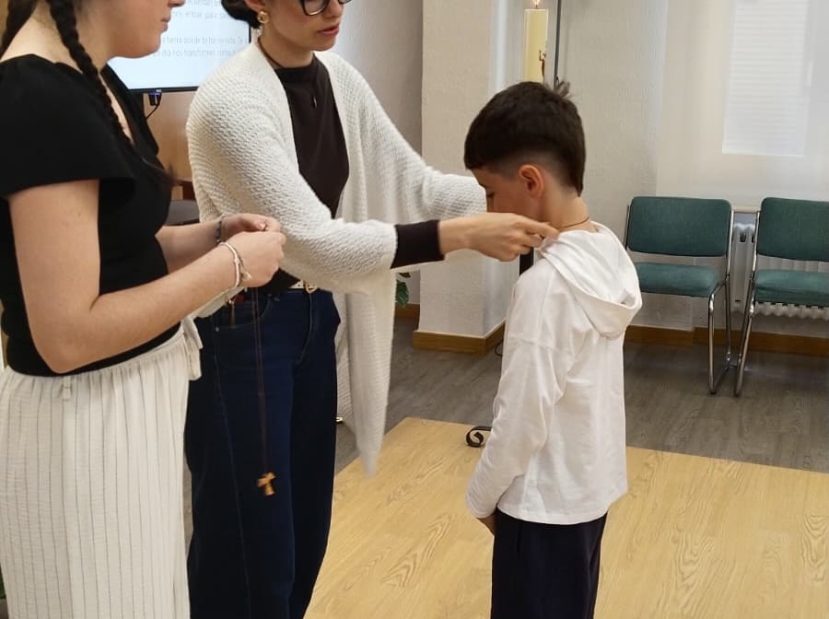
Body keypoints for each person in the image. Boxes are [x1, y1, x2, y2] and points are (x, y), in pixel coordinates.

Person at [184, 1, 558, 617]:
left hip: (311, 320)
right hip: (243, 331)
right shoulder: (229, 102)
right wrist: (461, 233)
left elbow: (417, 186)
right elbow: (313, 242)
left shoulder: (339, 79)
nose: (334, 8)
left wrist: (527, 196)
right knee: (251, 548)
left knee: (305, 531)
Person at [0, 1, 286, 617]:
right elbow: (67, 336)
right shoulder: (38, 95)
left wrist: (213, 235)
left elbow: (119, 250)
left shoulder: (90, 75)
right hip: (81, 425)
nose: (180, 0)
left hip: (128, 409)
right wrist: (230, 266)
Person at [463, 80, 643, 619]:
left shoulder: (544, 288)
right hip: (586, 494)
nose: (488, 210)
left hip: (539, 507)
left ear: (530, 181)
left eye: (489, 193)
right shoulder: (607, 251)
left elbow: (521, 417)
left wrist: (481, 496)